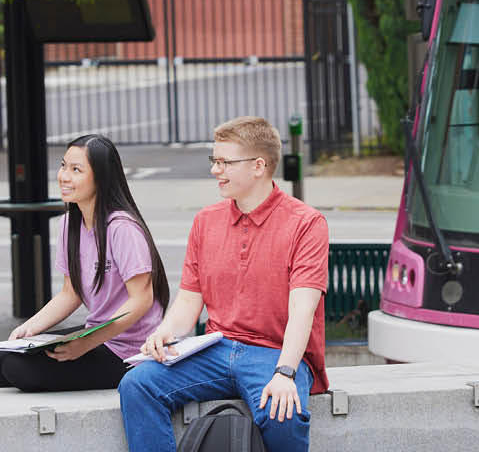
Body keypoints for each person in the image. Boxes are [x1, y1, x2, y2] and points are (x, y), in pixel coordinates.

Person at [119, 116, 330, 452]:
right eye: (214, 161)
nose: (215, 170)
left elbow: (302, 310)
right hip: (215, 349)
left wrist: (285, 373)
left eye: (225, 162)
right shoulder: (206, 221)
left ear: (258, 166)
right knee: (138, 385)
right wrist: (164, 332)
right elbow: (189, 301)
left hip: (274, 353)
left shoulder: (306, 223)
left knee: (283, 414)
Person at [0, 134, 169, 392]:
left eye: (76, 170)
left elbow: (141, 300)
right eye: (63, 166)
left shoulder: (123, 228)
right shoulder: (69, 225)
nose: (64, 176)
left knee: (18, 370)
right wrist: (29, 328)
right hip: (96, 335)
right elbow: (70, 293)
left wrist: (86, 343)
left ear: (101, 177)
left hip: (130, 351)